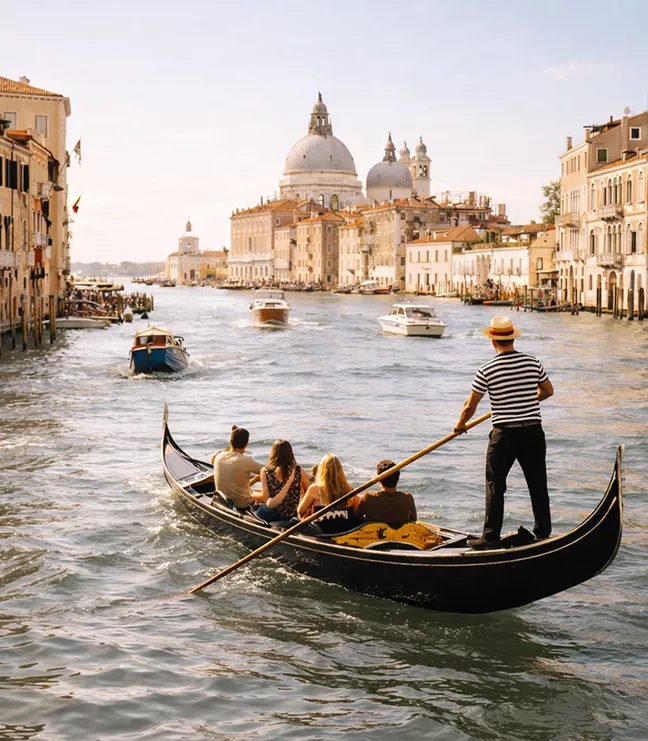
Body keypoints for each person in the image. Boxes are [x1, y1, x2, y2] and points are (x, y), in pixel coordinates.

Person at [454, 316, 554, 549]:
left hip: (504, 435)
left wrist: (460, 425)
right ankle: (543, 533)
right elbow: (548, 391)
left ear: (493, 341)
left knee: (495, 485)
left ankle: (490, 538)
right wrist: (527, 400)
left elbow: (471, 405)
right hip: (533, 432)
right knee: (538, 483)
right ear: (512, 338)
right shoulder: (533, 362)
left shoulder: (486, 370)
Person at [297, 454, 361, 533]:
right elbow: (358, 511)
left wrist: (302, 496)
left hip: (324, 533)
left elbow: (300, 512)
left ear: (323, 471)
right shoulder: (349, 489)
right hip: (344, 532)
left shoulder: (315, 489)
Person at [256, 440, 311, 522]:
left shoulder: (266, 471)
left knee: (256, 511)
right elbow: (308, 490)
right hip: (291, 514)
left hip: (273, 513)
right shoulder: (298, 470)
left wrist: (251, 494)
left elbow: (265, 497)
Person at [212, 426, 264, 509]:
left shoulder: (219, 456)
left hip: (222, 500)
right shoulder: (246, 461)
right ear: (246, 444)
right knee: (267, 499)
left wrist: (254, 480)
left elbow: (213, 460)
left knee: (252, 490)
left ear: (230, 441)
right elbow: (268, 470)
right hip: (243, 505)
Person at [355, 460, 417, 528]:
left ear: (378, 479)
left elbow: (357, 519)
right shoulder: (408, 498)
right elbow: (413, 521)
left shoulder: (368, 497)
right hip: (400, 537)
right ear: (398, 478)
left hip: (374, 536)